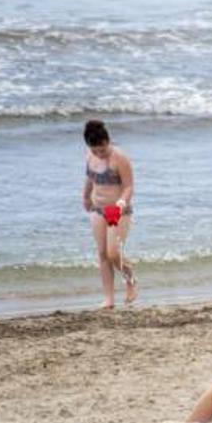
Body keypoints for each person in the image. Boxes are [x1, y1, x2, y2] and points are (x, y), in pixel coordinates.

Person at [82, 119, 137, 308]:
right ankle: (109, 299)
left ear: (108, 141)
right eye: (95, 150)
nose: (99, 153)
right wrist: (86, 197)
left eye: (102, 150)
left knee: (114, 253)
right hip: (98, 208)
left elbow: (129, 186)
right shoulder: (90, 155)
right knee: (102, 254)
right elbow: (90, 178)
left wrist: (121, 204)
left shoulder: (119, 158)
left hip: (117, 209)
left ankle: (130, 280)